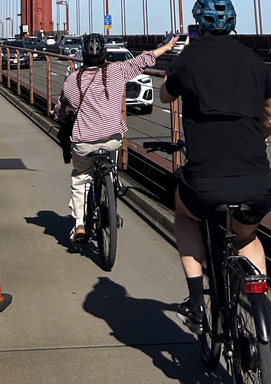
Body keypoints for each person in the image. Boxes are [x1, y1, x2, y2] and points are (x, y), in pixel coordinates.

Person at [158, 0, 271, 333]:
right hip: (255, 180)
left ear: (198, 26)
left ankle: (196, 303)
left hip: (205, 183)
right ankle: (261, 317)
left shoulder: (190, 58)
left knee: (184, 215)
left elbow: (165, 95)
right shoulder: (255, 62)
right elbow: (270, 119)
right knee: (246, 238)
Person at [53, 32, 178, 245]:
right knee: (112, 155)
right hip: (112, 138)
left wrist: (59, 116)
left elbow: (61, 109)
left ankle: (80, 224)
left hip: (84, 142)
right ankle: (111, 179)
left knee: (80, 176)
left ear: (83, 54)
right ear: (104, 55)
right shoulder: (117, 70)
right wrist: (165, 47)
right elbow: (142, 60)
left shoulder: (73, 80)